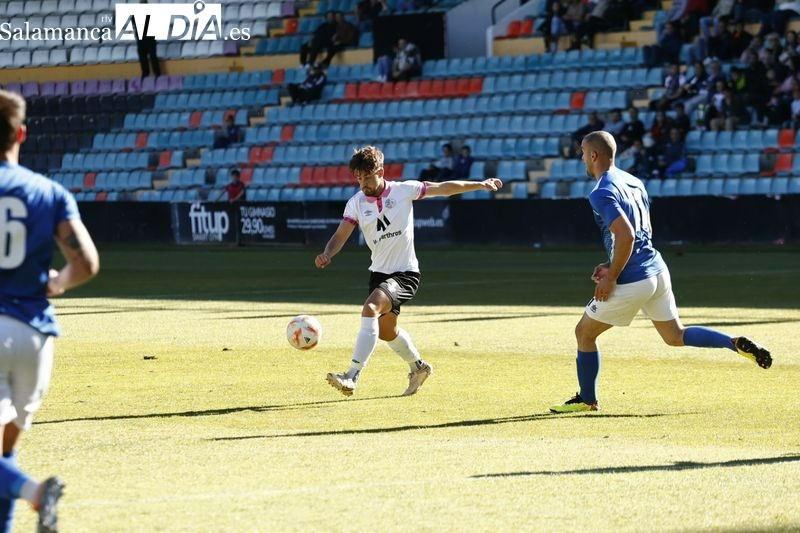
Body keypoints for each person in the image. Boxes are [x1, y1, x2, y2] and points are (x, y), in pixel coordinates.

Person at [549, 131, 771, 413]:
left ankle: (587, 399)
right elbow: (643, 233)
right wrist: (610, 263)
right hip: (656, 269)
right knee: (675, 335)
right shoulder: (634, 182)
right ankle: (732, 343)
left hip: (632, 277)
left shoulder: (601, 191)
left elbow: (627, 236)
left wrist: (613, 275)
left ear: (593, 155)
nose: (581, 157)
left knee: (584, 333)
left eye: (582, 152)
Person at [315, 146, 502, 397]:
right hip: (379, 275)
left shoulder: (404, 190)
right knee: (386, 332)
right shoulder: (356, 204)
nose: (362, 183)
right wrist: (328, 252)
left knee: (369, 308)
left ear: (380, 171)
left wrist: (479, 184)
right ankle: (418, 367)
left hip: (405, 274)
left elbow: (444, 187)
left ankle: (352, 375)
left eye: (367, 177)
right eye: (358, 178)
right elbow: (340, 235)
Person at [0, 89, 100, 531]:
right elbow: (87, 263)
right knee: (4, 452)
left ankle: (36, 493)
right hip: (35, 336)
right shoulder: (50, 191)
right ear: (21, 132)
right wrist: (57, 282)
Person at [135, 0, 160, 77]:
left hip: (150, 38)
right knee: (143, 57)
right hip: (141, 39)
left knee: (152, 56)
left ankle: (157, 73)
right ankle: (145, 73)